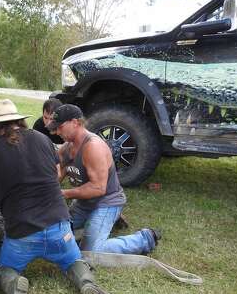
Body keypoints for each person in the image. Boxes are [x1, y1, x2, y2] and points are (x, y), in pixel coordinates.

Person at [0, 99, 130, 294]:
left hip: (21, 235)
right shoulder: (43, 139)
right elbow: (54, 176)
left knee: (6, 269)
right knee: (74, 260)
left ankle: (15, 286)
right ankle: (85, 281)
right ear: (19, 120)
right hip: (60, 228)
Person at [47, 104, 161, 254]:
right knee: (54, 234)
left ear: (75, 122)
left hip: (106, 203)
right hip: (83, 204)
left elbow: (98, 188)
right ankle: (104, 224)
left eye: (60, 126)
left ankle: (145, 238)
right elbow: (56, 177)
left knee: (90, 251)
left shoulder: (93, 147)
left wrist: (65, 193)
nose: (56, 131)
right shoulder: (66, 149)